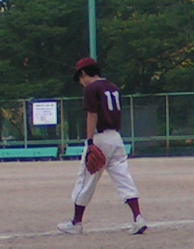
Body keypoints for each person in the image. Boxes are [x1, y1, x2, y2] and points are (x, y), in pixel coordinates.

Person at [57, 57, 148, 236]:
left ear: (84, 73)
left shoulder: (92, 88)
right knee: (124, 177)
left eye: (80, 77)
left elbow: (92, 115)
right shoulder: (113, 87)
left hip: (100, 137)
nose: (81, 82)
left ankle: (76, 223)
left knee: (85, 180)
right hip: (116, 138)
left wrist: (90, 142)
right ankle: (138, 217)